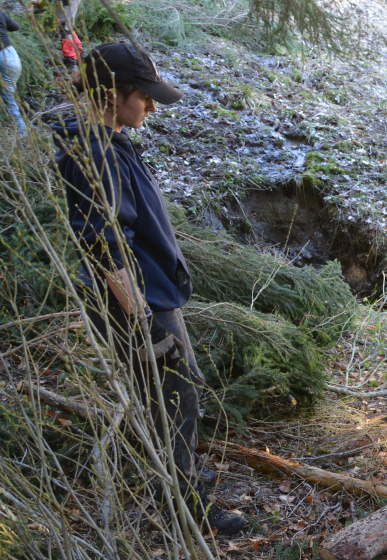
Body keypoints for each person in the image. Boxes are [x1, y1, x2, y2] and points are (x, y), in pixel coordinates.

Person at [53, 42, 245, 535]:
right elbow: (103, 245)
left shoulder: (110, 139)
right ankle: (186, 509)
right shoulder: (96, 152)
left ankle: (178, 479)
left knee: (179, 392)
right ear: (111, 94)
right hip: (138, 303)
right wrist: (143, 325)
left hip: (152, 296)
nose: (152, 107)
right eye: (144, 96)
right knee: (174, 403)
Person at [0, 8, 27, 134]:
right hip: (11, 56)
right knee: (7, 95)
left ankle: (23, 134)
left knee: (8, 99)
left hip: (1, 59)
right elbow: (16, 26)